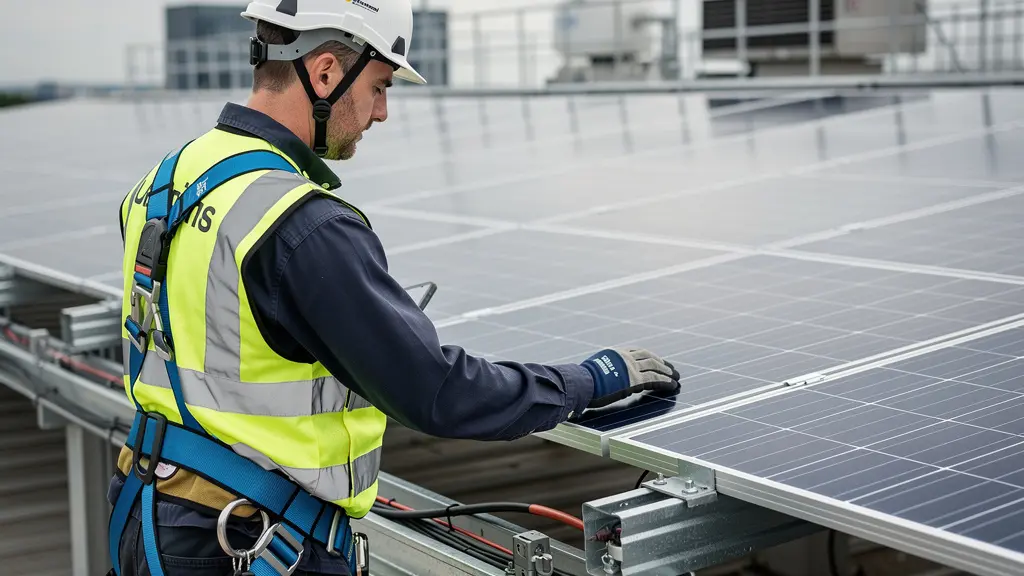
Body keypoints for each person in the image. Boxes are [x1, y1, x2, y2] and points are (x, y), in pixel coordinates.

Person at [107, 1, 682, 575]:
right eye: (379, 86)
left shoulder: (163, 183)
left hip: (149, 514)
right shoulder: (301, 224)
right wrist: (586, 381)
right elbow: (436, 392)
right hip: (245, 542)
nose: (381, 112)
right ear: (325, 73)